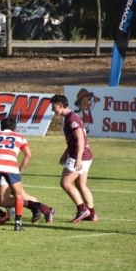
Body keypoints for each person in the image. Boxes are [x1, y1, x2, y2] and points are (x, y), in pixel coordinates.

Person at [50, 94, 98, 223]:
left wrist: (78, 159)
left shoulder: (71, 119)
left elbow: (80, 140)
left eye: (54, 107)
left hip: (80, 156)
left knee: (65, 183)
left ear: (60, 105)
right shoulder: (71, 117)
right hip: (86, 155)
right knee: (81, 185)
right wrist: (65, 154)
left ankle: (83, 210)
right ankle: (92, 214)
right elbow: (73, 141)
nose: (52, 110)